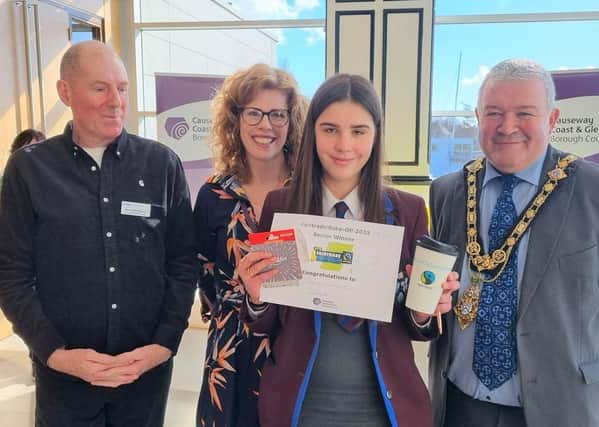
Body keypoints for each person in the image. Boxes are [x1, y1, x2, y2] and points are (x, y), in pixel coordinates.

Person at [237, 73, 460, 427]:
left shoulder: (407, 211)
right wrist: (257, 296)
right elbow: (266, 322)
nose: (344, 145)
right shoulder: (282, 208)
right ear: (312, 133)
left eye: (358, 131)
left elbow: (416, 325)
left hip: (384, 408)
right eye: (329, 129)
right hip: (299, 404)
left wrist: (426, 308)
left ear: (376, 135)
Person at [428, 58, 599, 427]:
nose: (507, 127)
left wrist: (578, 361)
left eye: (524, 113)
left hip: (558, 406)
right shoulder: (447, 190)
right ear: (479, 117)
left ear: (552, 119)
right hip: (459, 405)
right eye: (494, 112)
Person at [0, 40, 198, 426]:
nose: (115, 101)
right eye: (99, 87)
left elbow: (183, 263)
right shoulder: (29, 171)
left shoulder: (161, 165)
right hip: (64, 377)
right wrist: (54, 353)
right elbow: (12, 275)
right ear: (65, 92)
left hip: (144, 375)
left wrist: (163, 344)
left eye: (122, 88)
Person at [193, 63, 306, 427]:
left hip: (292, 345)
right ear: (236, 118)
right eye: (254, 113)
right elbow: (205, 275)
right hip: (231, 352)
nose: (266, 125)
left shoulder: (308, 194)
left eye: (277, 114)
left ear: (291, 122)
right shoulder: (213, 193)